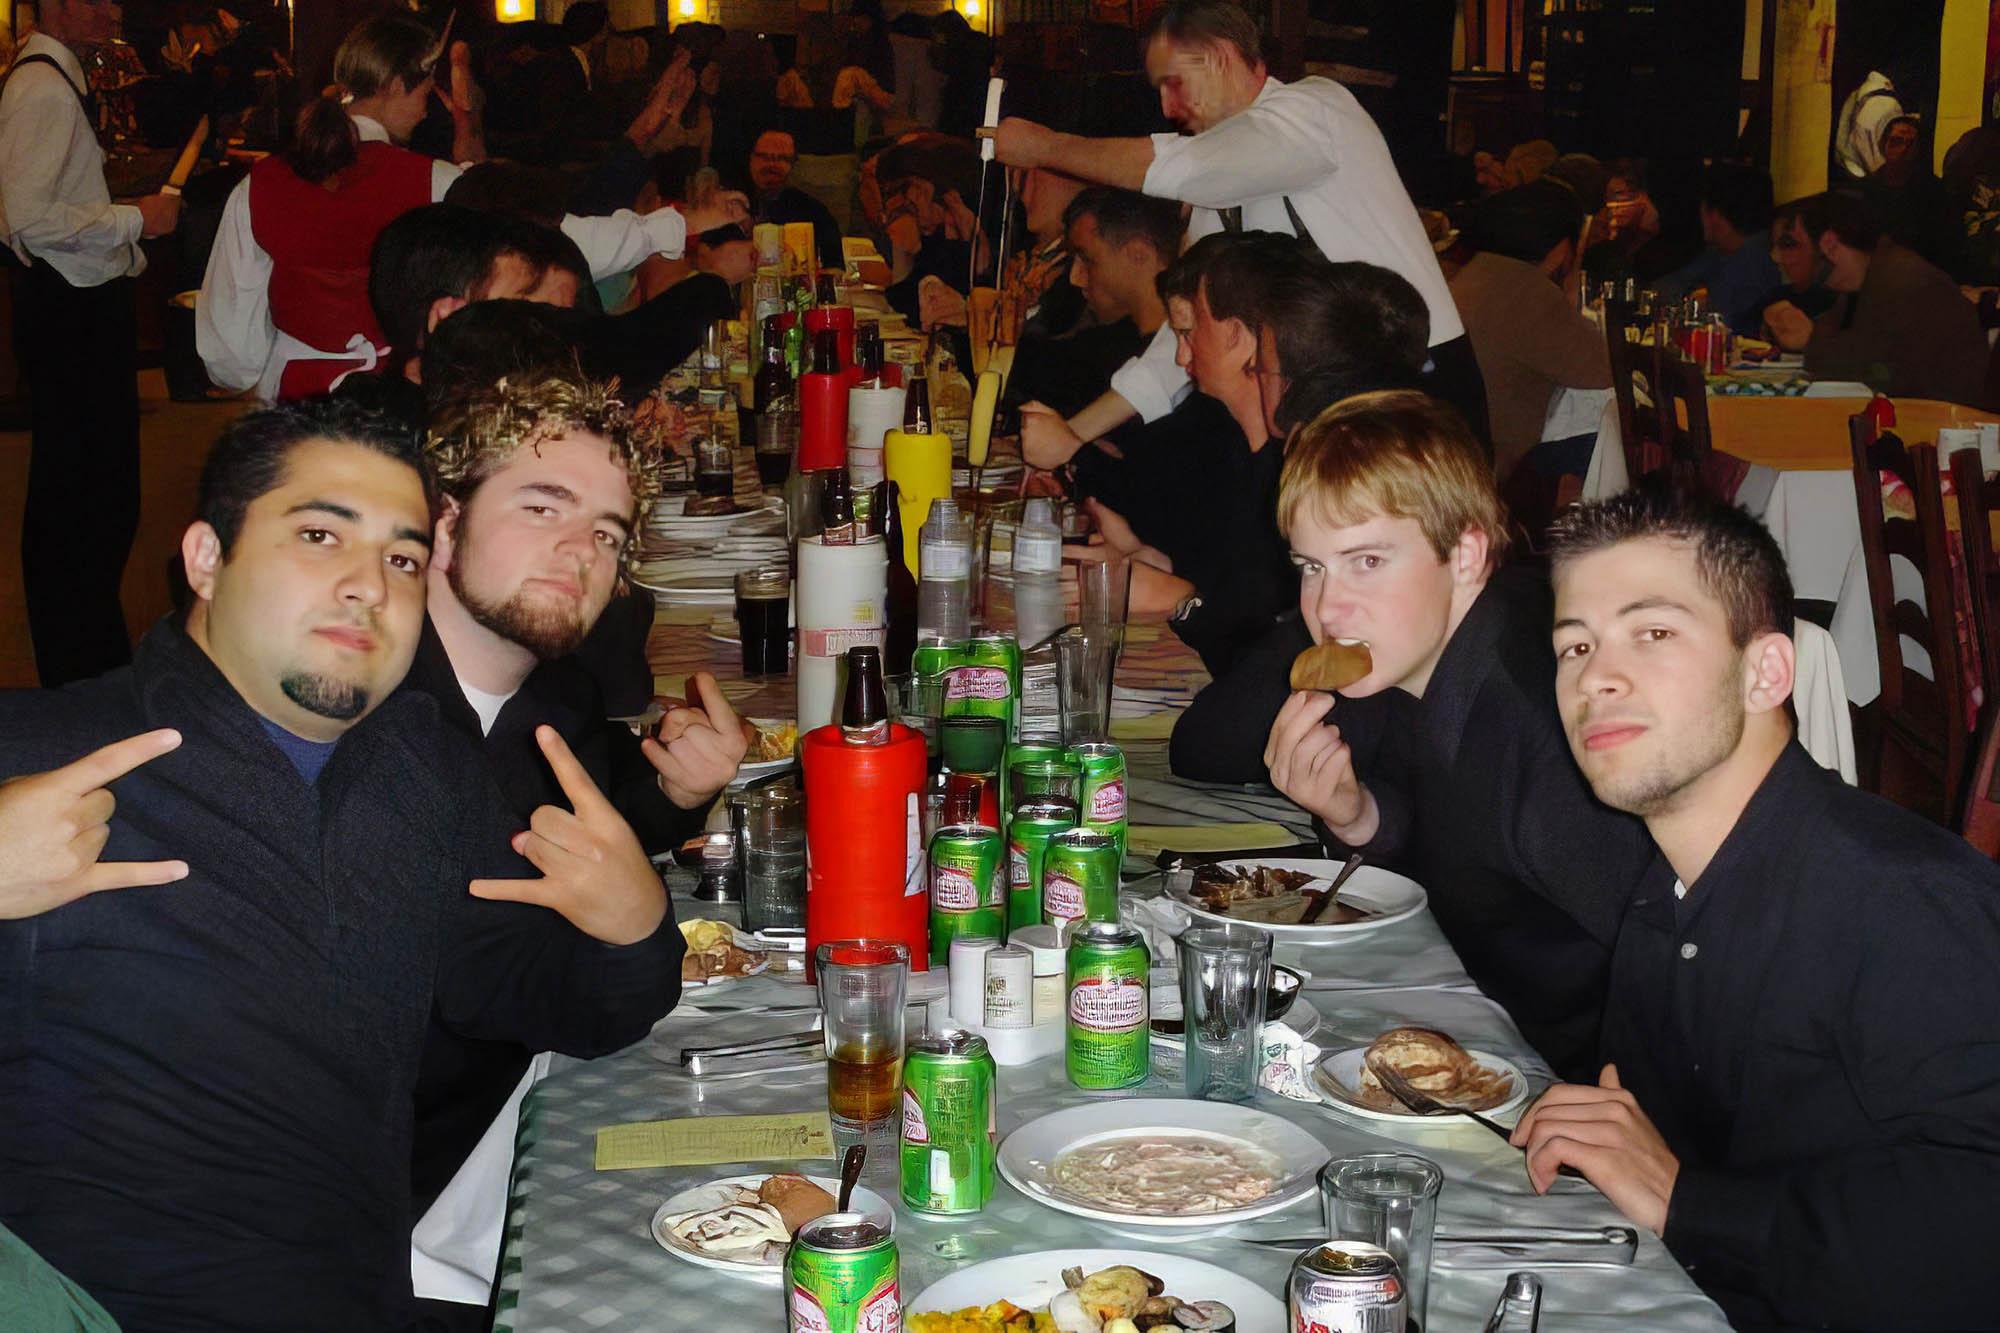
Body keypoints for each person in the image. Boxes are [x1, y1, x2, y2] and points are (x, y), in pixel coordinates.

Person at [0, 395, 683, 1330]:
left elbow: (539, 1000)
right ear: (207, 558)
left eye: (401, 558)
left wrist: (632, 928)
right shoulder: (41, 751)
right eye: (321, 535)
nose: (371, 584)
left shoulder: (421, 771)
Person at [1523, 486, 2000, 1330]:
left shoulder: (1902, 901)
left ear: (1766, 671)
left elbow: (1978, 1230)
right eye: (1575, 645)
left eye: (1654, 632)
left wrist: (1690, 1202)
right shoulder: (1665, 889)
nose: (1595, 675)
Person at [408, 366, 745, 1326]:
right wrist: (644, 931)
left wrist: (673, 797)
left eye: (606, 531)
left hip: (516, 1107)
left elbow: (551, 856)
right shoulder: (386, 729)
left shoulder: (544, 700)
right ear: (442, 521)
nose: (581, 550)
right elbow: (561, 1003)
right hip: (426, 1210)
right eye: (542, 505)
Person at [1259, 391, 1650, 1080]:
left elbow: (1679, 947)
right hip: (1479, 1027)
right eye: (1310, 566)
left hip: (1566, 1080)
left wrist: (1630, 1123)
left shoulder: (1544, 716)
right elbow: (1457, 840)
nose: (1327, 606)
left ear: (1466, 554)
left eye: (1367, 560)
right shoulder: (1426, 659)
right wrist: (1356, 815)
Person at [992, 0, 1484, 465]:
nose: (1167, 107)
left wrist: (1044, 148)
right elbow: (1182, 337)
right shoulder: (1216, 185)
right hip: (1313, 402)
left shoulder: (1315, 111)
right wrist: (1074, 434)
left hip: (1417, 388)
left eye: (1174, 84)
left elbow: (1185, 167)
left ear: (1222, 57)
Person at [197, 12, 746, 401]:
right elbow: (558, 249)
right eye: (423, 87)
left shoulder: (258, 184)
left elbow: (231, 350)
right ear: (392, 84)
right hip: (405, 403)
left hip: (295, 405)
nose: (426, 103)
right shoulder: (434, 182)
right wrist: (677, 224)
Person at [0, 0, 182, 686]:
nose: (113, 8)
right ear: (55, 5)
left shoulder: (49, 77)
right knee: (84, 499)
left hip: (72, 306)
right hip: (69, 311)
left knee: (87, 497)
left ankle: (86, 660)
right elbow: (30, 219)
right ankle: (81, 670)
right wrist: (137, 218)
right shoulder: (42, 87)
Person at [1448, 180, 1611, 485]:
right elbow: (1604, 371)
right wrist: (1571, 285)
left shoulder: (1476, 272)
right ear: (1563, 247)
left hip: (1459, 450)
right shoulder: (1528, 291)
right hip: (1496, 467)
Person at [1005, 185, 1178, 426]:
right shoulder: (1100, 347)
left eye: (1087, 259)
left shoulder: (1185, 363)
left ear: (1139, 254)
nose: (1075, 278)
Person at [1794, 191, 1986, 404]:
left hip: (1946, 423)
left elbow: (1871, 369)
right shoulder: (1866, 279)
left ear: (1829, 244)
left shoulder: (1904, 282)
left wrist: (1809, 339)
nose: (1778, 257)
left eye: (1792, 245)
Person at [1652, 161, 1783, 334]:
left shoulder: (1752, 261)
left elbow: (1720, 326)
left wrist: (1697, 301)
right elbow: (1664, 288)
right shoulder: (1720, 254)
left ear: (1713, 215)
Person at [747, 127, 844, 271]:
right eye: (764, 157)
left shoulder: (815, 213)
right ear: (751, 159)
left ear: (793, 165)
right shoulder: (728, 206)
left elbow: (834, 267)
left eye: (782, 159)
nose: (772, 165)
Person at [1750, 194, 1837, 350]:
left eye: (1788, 245)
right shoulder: (1774, 299)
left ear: (1826, 247)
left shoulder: (1849, 308)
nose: (1775, 257)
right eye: (1773, 245)